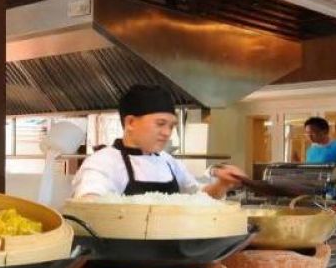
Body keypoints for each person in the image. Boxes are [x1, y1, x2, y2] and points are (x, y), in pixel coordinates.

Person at [71, 85, 246, 198]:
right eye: (160, 124)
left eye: (171, 126)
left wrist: (222, 184)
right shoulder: (103, 162)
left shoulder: (168, 162)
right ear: (130, 122)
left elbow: (199, 198)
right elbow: (90, 204)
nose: (167, 133)